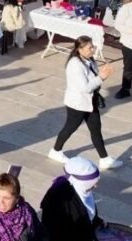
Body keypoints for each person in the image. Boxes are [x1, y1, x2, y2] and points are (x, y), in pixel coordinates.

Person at [48, 36, 122, 171]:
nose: (92, 50)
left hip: (90, 101)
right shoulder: (75, 64)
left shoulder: (88, 60)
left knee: (95, 128)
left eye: (92, 46)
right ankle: (56, 150)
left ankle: (104, 158)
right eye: (89, 48)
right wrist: (101, 77)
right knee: (70, 127)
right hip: (78, 103)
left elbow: (92, 79)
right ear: (79, 49)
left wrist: (101, 75)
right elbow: (85, 87)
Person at [40, 156, 104, 241]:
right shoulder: (60, 199)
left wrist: (98, 222)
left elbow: (87, 215)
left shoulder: (83, 191)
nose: (96, 186)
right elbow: (52, 228)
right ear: (82, 182)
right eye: (92, 183)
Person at [0, 173, 46, 241]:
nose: (0, 202)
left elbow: (41, 234)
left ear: (17, 199)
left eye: (6, 198)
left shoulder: (27, 211)